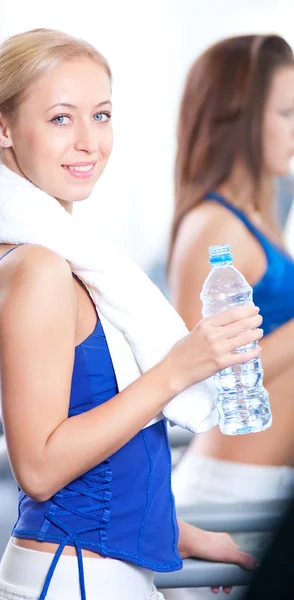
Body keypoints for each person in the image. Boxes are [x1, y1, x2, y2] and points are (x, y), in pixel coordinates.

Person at [0, 29, 258, 600]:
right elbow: (41, 469)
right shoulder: (39, 268)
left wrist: (180, 534)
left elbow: (102, 448)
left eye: (101, 115)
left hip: (89, 571)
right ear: (1, 127)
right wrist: (177, 370)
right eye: (61, 119)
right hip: (71, 577)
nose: (89, 142)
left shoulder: (55, 257)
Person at [166, 34, 294, 598]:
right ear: (238, 118)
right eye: (287, 112)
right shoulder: (214, 230)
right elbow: (200, 379)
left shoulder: (255, 218)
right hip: (231, 493)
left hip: (264, 486)